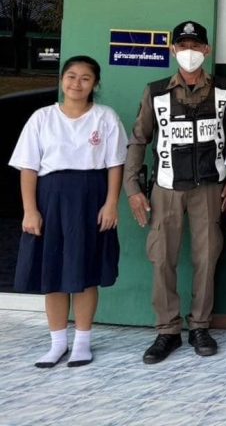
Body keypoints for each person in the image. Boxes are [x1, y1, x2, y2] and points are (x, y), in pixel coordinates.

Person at [124, 20, 226, 364]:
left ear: (207, 50)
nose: (190, 52)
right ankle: (167, 330)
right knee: (162, 258)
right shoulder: (156, 91)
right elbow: (139, 139)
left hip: (210, 187)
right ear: (173, 50)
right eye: (183, 45)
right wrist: (132, 188)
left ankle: (200, 326)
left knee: (207, 258)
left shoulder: (224, 89)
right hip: (166, 188)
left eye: (196, 46)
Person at [12, 55, 126, 368]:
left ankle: (82, 343)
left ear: (95, 84)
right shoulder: (42, 118)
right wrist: (30, 210)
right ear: (62, 80)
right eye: (71, 76)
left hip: (92, 199)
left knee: (86, 272)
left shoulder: (105, 117)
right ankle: (57, 343)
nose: (77, 83)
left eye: (85, 78)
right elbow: (28, 168)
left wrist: (111, 203)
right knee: (52, 272)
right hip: (50, 199)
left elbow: (115, 164)